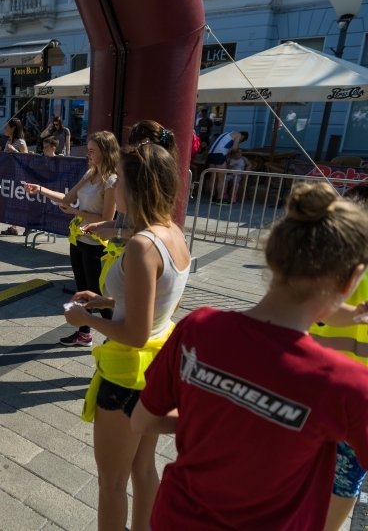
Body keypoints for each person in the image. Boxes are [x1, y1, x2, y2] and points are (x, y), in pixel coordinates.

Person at [132, 182, 368, 531]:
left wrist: (222, 420)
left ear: (273, 258)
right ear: (351, 281)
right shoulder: (346, 385)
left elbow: (142, 422)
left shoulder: (199, 328)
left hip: (175, 517)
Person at [64, 142, 190, 531]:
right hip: (157, 367)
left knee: (111, 482)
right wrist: (105, 299)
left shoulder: (140, 245)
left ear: (134, 188)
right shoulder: (172, 233)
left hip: (125, 374)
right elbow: (154, 300)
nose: (113, 188)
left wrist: (85, 318)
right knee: (143, 467)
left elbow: (134, 333)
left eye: (118, 182)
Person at [305, 181, 368, 531]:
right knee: (345, 476)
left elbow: (316, 309)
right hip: (346, 392)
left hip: (327, 387)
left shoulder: (339, 259)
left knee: (323, 468)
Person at [24, 131, 120, 346]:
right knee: (82, 288)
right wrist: (40, 190)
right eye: (88, 149)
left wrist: (77, 212)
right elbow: (67, 199)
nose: (88, 154)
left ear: (105, 152)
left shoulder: (111, 181)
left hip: (97, 243)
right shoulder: (90, 173)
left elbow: (106, 219)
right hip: (79, 239)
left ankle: (116, 338)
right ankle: (84, 333)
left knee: (97, 293)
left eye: (92, 150)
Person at [0, 118, 29, 236]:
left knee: (21, 201)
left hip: (19, 176)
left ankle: (28, 225)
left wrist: (15, 150)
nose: (5, 129)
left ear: (13, 128)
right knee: (12, 201)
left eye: (7, 127)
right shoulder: (8, 141)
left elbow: (26, 158)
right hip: (10, 175)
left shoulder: (20, 142)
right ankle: (13, 227)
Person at [207, 130, 249, 205]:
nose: (240, 141)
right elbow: (235, 148)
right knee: (221, 178)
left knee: (213, 177)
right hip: (220, 154)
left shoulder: (227, 134)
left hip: (211, 153)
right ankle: (220, 199)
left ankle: (212, 197)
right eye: (242, 140)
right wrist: (236, 152)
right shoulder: (238, 134)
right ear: (243, 136)